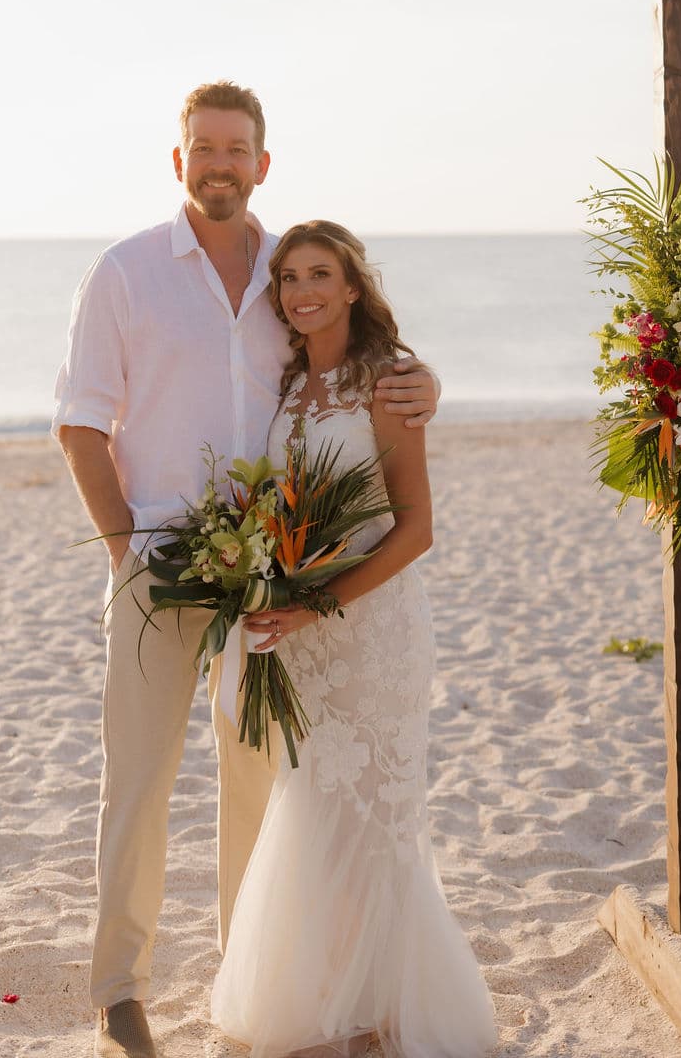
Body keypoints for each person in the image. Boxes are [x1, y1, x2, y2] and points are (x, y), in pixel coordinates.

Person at [53, 82, 441, 1058]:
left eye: (237, 147)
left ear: (262, 162)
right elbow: (78, 422)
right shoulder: (126, 272)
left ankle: (247, 982)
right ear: (177, 158)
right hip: (157, 569)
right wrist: (121, 547)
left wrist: (425, 379)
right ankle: (119, 990)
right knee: (136, 783)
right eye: (203, 146)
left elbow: (357, 361)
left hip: (266, 578)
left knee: (255, 784)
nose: (219, 161)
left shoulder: (290, 275)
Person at [211, 221, 497, 1058]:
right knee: (315, 812)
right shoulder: (289, 385)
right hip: (300, 644)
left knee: (374, 820)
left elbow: (415, 530)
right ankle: (342, 1002)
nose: (302, 290)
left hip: (372, 636)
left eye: (320, 274)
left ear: (351, 288)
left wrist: (316, 603)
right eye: (290, 277)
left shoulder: (389, 382)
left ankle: (386, 1011)